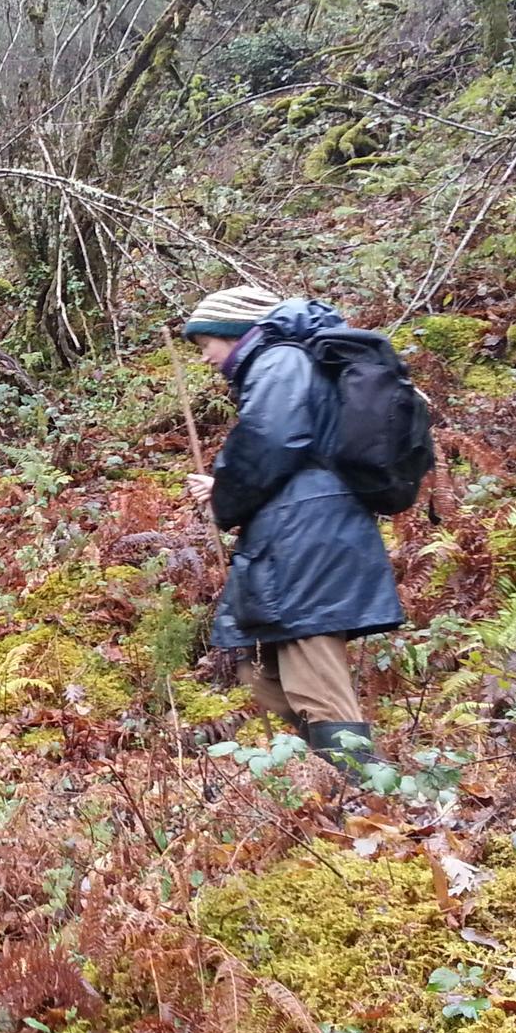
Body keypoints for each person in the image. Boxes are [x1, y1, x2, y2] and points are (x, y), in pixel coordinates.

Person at [180, 286, 404, 778]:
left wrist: (224, 495)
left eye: (206, 345)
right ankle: (344, 779)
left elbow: (272, 440)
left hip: (309, 541)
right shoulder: (284, 365)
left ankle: (369, 798)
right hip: (297, 534)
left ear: (233, 333)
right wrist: (226, 488)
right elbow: (285, 451)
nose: (205, 358)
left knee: (313, 680)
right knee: (260, 673)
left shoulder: (279, 360)